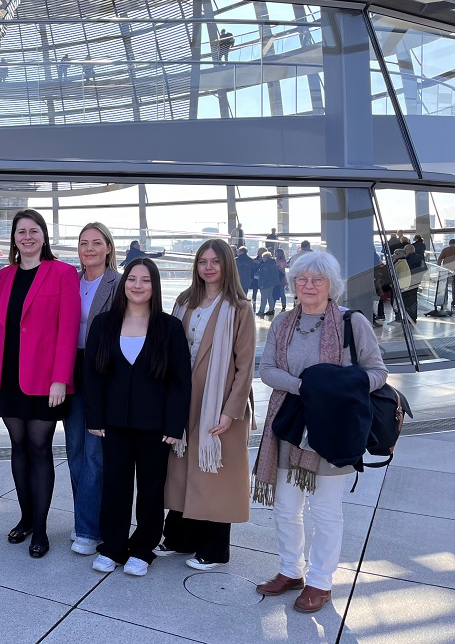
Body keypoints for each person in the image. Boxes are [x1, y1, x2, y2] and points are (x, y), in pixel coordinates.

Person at [255, 251, 387, 612]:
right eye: (301, 279)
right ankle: (290, 571)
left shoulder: (351, 323)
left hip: (332, 428)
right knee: (285, 507)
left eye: (317, 280)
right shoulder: (283, 322)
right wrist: (307, 387)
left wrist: (337, 389)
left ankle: (320, 582)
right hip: (289, 424)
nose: (308, 286)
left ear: (332, 285)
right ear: (292, 283)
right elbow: (266, 370)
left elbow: (377, 373)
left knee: (326, 510)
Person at [84, 258, 191, 575]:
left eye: (145, 280)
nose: (138, 285)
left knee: (151, 489)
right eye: (132, 279)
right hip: (113, 424)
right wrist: (95, 417)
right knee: (114, 486)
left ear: (154, 286)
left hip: (155, 427)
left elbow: (180, 381)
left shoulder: (169, 327)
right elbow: (92, 376)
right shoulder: (104, 324)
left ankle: (142, 550)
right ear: (123, 283)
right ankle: (112, 547)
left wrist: (175, 425)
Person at [0, 210, 80, 558]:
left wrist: (60, 379)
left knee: (39, 449)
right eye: (21, 231)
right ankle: (25, 518)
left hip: (45, 378)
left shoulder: (63, 273)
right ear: (14, 238)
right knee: (18, 446)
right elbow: (0, 328)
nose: (27, 237)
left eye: (33, 230)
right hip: (8, 376)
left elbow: (68, 330)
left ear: (44, 235)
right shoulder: (5, 275)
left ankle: (40, 528)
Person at [159, 240, 256, 569]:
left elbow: (245, 367)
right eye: (203, 261)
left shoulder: (240, 308)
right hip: (184, 397)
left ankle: (215, 549)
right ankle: (180, 538)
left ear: (227, 265)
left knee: (215, 477)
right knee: (182, 470)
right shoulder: (184, 301)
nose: (209, 267)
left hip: (219, 400)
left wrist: (231, 411)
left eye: (216, 261)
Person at [63, 223, 119, 556]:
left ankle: (88, 529)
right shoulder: (69, 279)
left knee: (94, 453)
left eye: (96, 243)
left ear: (109, 248)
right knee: (73, 450)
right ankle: (85, 519)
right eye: (84, 243)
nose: (89, 249)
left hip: (103, 371)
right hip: (71, 370)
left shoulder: (119, 282)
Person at [256, 250, 280, 317]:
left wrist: (261, 284)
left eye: (263, 258)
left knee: (263, 298)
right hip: (272, 284)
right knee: (270, 297)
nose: (262, 259)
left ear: (266, 257)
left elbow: (265, 276)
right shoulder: (273, 264)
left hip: (266, 284)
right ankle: (271, 310)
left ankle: (261, 311)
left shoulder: (266, 265)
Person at [273, 247, 289, 312]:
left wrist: (277, 266)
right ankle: (272, 306)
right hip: (275, 278)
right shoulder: (274, 260)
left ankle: (284, 306)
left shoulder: (282, 261)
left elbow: (282, 269)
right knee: (274, 293)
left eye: (276, 252)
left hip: (281, 278)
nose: (274, 254)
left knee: (282, 293)